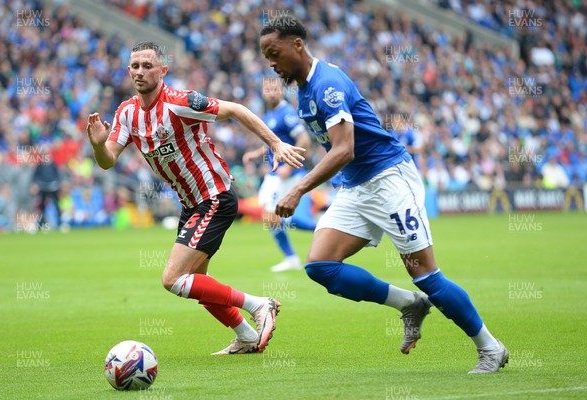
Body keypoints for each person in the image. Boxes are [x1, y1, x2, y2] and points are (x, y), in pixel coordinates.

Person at [260, 17, 508, 373]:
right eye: (265, 56)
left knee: (426, 275)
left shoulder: (327, 84)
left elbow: (344, 148)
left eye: (274, 52)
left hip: (389, 180)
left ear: (297, 44)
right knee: (320, 266)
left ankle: (490, 348)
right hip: (357, 186)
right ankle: (409, 304)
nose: (270, 62)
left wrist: (299, 188)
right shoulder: (302, 89)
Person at [86, 42, 305, 355]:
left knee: (173, 278)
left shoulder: (181, 102)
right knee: (197, 284)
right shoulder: (127, 113)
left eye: (147, 65)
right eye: (134, 65)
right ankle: (246, 337)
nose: (139, 71)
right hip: (191, 204)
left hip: (215, 196)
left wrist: (276, 144)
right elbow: (108, 160)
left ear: (163, 71)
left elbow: (237, 110)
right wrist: (97, 146)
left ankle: (260, 305)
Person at [243, 77, 316, 272]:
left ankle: (324, 230)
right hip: (275, 174)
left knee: (277, 216)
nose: (271, 92)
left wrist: (289, 166)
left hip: (287, 174)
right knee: (269, 217)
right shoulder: (269, 115)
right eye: (267, 89)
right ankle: (291, 257)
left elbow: (304, 140)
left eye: (274, 89)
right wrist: (256, 154)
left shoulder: (286, 113)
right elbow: (271, 142)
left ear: (281, 91)